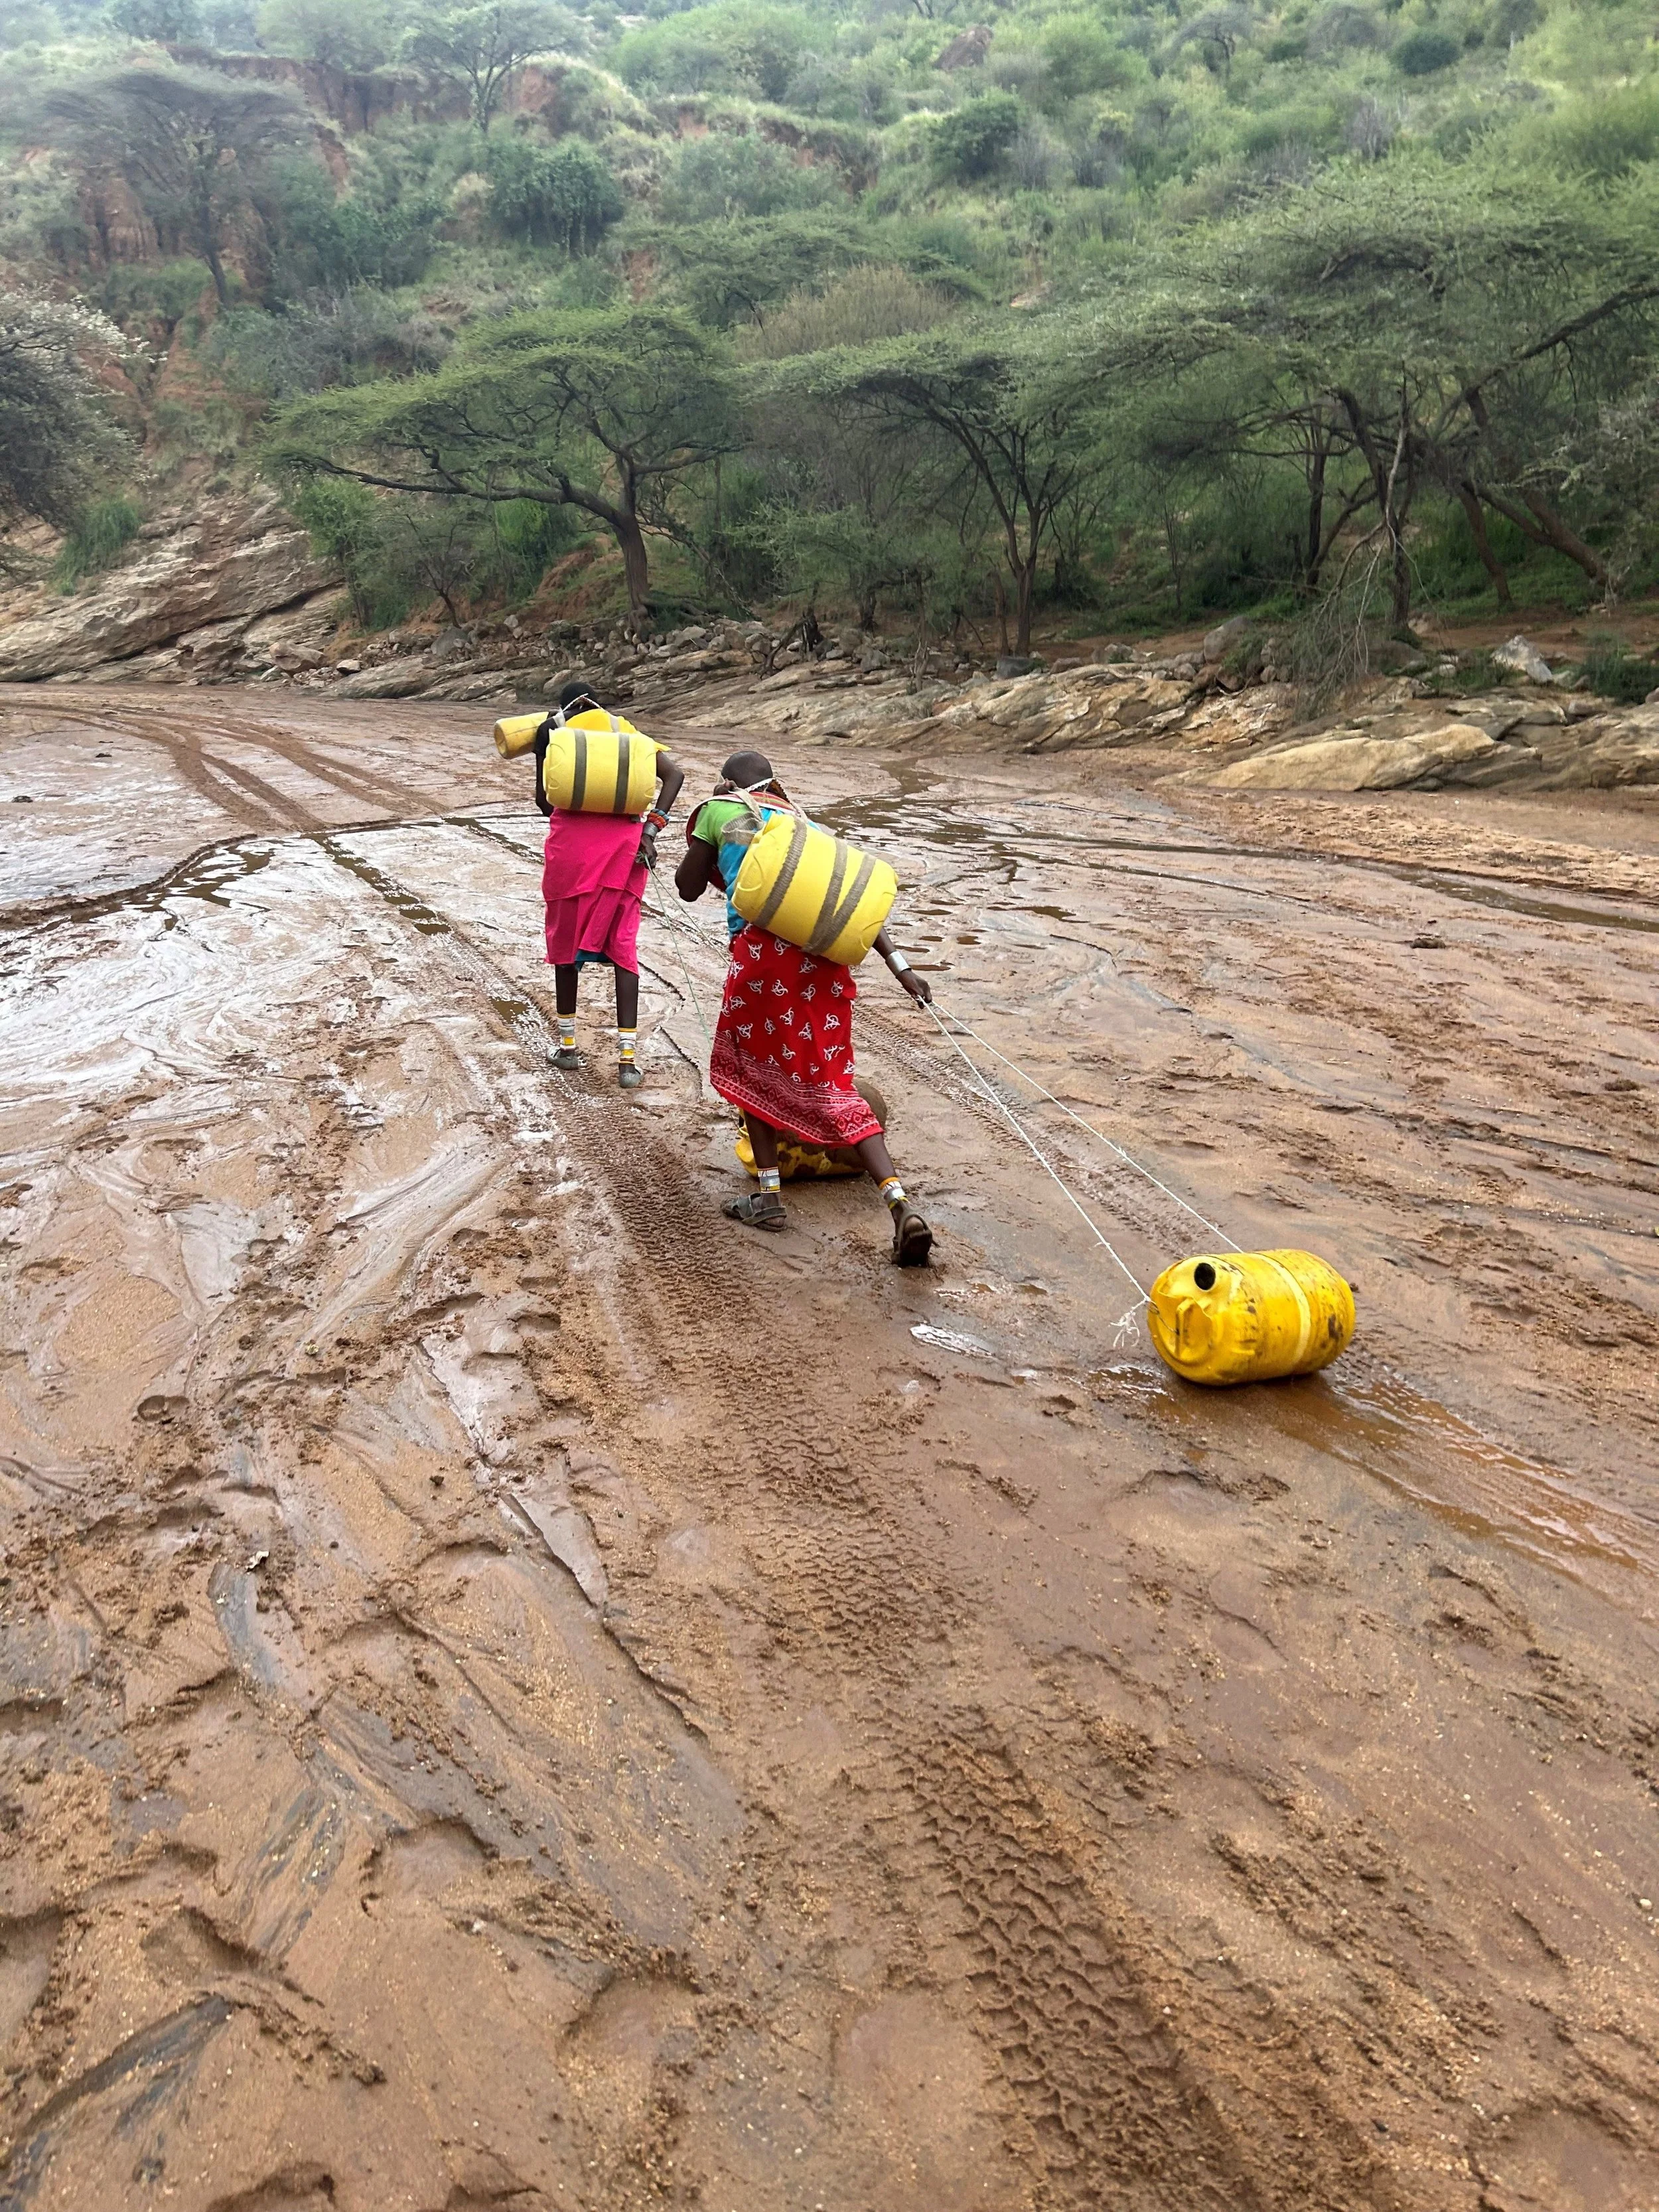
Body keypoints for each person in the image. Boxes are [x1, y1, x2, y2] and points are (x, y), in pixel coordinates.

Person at [675, 751, 934, 1265]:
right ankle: (899, 1202)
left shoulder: (717, 811)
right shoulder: (803, 825)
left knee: (751, 1069)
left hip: (762, 962)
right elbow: (854, 906)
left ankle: (769, 1198)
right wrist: (901, 967)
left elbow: (686, 886)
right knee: (834, 1080)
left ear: (728, 783)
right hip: (823, 967)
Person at [533, 679, 684, 1090]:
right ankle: (628, 1063)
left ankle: (567, 1049)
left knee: (565, 944)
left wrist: (541, 750)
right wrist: (651, 831)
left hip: (571, 853)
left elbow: (546, 803)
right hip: (625, 852)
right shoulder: (627, 735)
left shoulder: (558, 736)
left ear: (565, 708)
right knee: (623, 948)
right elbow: (675, 775)